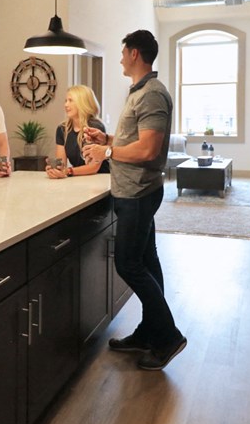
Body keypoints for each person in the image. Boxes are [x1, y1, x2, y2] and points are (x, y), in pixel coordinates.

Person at [82, 30, 187, 371]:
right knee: (147, 259)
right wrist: (108, 137)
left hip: (137, 193)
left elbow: (147, 149)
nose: (120, 57)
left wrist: (107, 150)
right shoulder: (140, 92)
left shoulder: (153, 94)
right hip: (134, 191)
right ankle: (148, 330)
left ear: (136, 53)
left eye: (124, 51)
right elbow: (135, 138)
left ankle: (168, 335)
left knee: (128, 264)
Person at [46, 85, 110, 179]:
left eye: (70, 100)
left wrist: (68, 171)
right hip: (77, 178)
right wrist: (55, 169)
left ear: (82, 103)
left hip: (100, 179)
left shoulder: (95, 127)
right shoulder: (62, 129)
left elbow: (93, 167)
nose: (66, 105)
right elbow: (62, 164)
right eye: (66, 101)